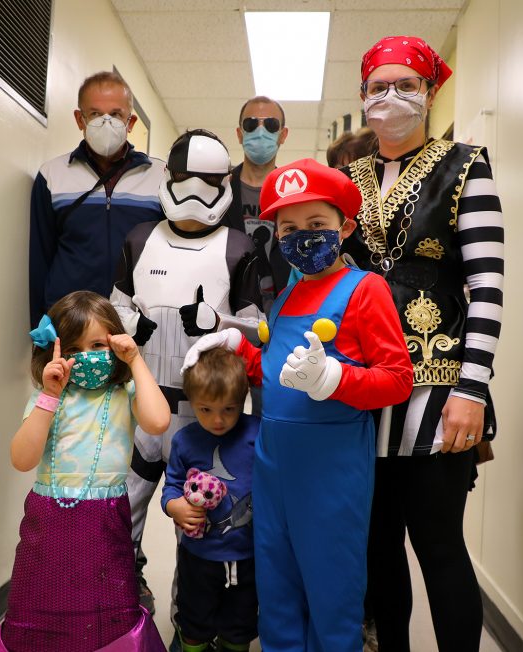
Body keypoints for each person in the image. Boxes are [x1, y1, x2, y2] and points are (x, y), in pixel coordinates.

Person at [184, 159, 415, 652]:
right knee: (278, 586)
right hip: (272, 463)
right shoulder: (286, 296)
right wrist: (233, 346)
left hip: (332, 467)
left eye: (317, 226)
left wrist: (335, 377)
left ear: (344, 227)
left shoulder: (364, 289)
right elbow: (274, 373)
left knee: (332, 590)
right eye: (289, 228)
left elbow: (397, 380)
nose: (302, 238)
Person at [343, 36, 505, 651]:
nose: (391, 98)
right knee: (377, 547)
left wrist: (473, 388)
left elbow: (487, 288)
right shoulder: (348, 179)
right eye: (378, 87)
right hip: (359, 388)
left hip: (440, 391)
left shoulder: (467, 165)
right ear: (362, 98)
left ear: (429, 94)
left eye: (405, 86)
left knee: (439, 546)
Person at [110, 129, 263, 616]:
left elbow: (258, 330)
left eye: (208, 180)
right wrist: (130, 325)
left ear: (224, 183)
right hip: (144, 401)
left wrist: (220, 323)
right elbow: (114, 312)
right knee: (124, 509)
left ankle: (189, 621)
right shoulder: (139, 239)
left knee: (198, 519)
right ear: (168, 178)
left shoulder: (238, 247)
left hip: (204, 414)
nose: (194, 190)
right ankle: (116, 601)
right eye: (184, 178)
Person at [0, 291, 171, 652]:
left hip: (105, 522)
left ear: (115, 343)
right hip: (49, 520)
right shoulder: (48, 399)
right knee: (38, 606)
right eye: (73, 349)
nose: (87, 356)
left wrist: (135, 361)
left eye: (98, 344)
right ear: (55, 353)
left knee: (104, 614)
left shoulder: (124, 392)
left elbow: (159, 421)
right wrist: (49, 397)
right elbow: (22, 459)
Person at [29, 71, 165, 328]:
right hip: (71, 323)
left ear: (131, 122)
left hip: (138, 323)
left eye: (115, 114)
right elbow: (40, 259)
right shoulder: (52, 176)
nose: (106, 122)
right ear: (80, 119)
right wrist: (40, 328)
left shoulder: (160, 177)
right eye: (94, 114)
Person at [161, 347, 259, 652]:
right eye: (206, 409)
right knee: (193, 621)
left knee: (240, 626)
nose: (218, 420)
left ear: (242, 398)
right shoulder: (184, 439)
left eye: (228, 409)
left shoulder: (257, 433)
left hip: (247, 555)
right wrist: (174, 506)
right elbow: (172, 486)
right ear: (192, 402)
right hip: (198, 556)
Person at [222, 96, 292, 313]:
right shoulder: (219, 188)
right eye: (251, 124)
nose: (260, 132)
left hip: (283, 308)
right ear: (240, 134)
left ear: (283, 135)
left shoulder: (294, 193)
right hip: (228, 307)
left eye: (270, 125)